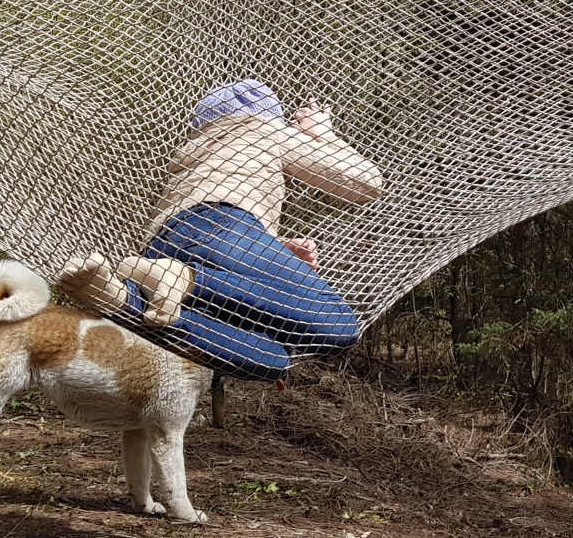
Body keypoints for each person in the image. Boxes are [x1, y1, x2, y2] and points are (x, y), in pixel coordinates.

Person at [55, 79, 384, 381]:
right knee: (339, 326)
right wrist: (320, 132)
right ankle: (186, 281)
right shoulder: (262, 128)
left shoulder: (196, 149)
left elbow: (201, 222)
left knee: (271, 359)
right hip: (226, 229)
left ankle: (120, 298)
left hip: (163, 246)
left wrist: (275, 245)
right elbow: (365, 182)